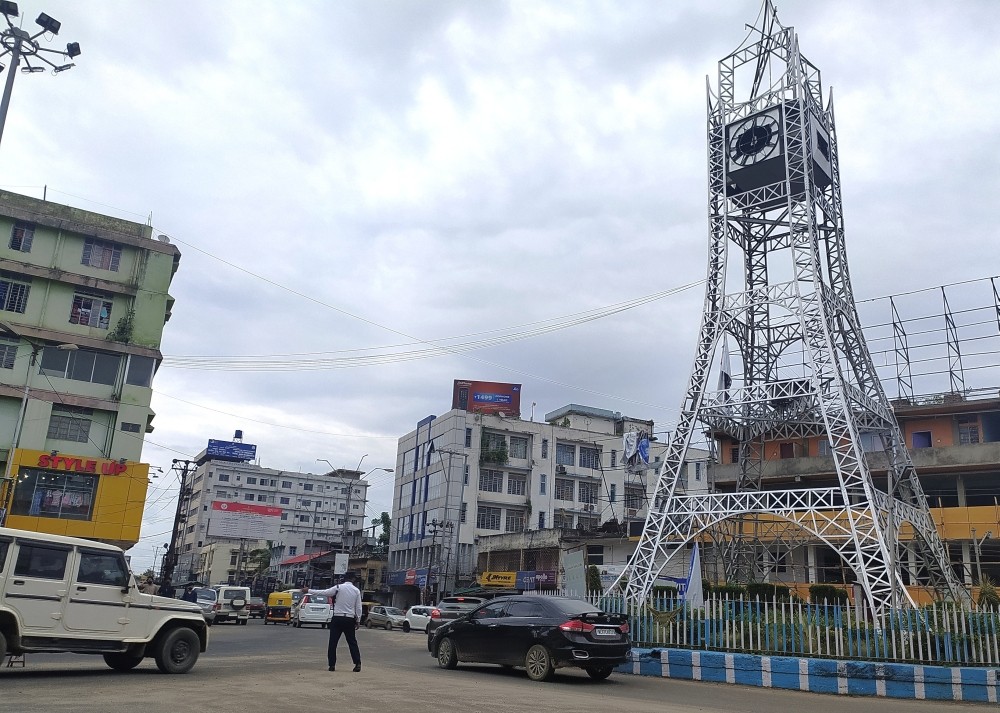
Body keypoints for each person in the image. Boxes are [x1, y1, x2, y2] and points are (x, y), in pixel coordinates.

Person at [302, 573, 363, 672]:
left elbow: (323, 592)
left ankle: (332, 665)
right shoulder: (356, 591)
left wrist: (308, 590)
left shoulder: (338, 588)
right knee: (352, 642)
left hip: (337, 618)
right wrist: (358, 620)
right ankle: (357, 663)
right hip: (349, 619)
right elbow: (358, 607)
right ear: (353, 580)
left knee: (333, 643)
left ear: (344, 579)